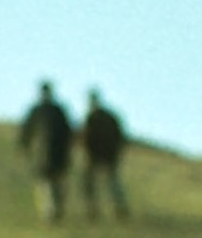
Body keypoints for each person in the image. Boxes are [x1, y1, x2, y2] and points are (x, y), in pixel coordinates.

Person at [17, 83, 73, 221]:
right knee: (51, 184)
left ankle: (51, 211)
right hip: (53, 155)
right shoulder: (57, 110)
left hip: (45, 155)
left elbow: (26, 131)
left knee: (48, 184)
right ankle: (52, 211)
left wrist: (24, 147)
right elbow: (68, 133)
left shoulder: (39, 111)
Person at [80, 91, 130, 219]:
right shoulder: (109, 116)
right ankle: (118, 208)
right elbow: (119, 135)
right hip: (109, 155)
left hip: (95, 155)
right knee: (112, 183)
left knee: (91, 184)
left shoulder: (90, 118)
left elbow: (86, 137)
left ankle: (92, 209)